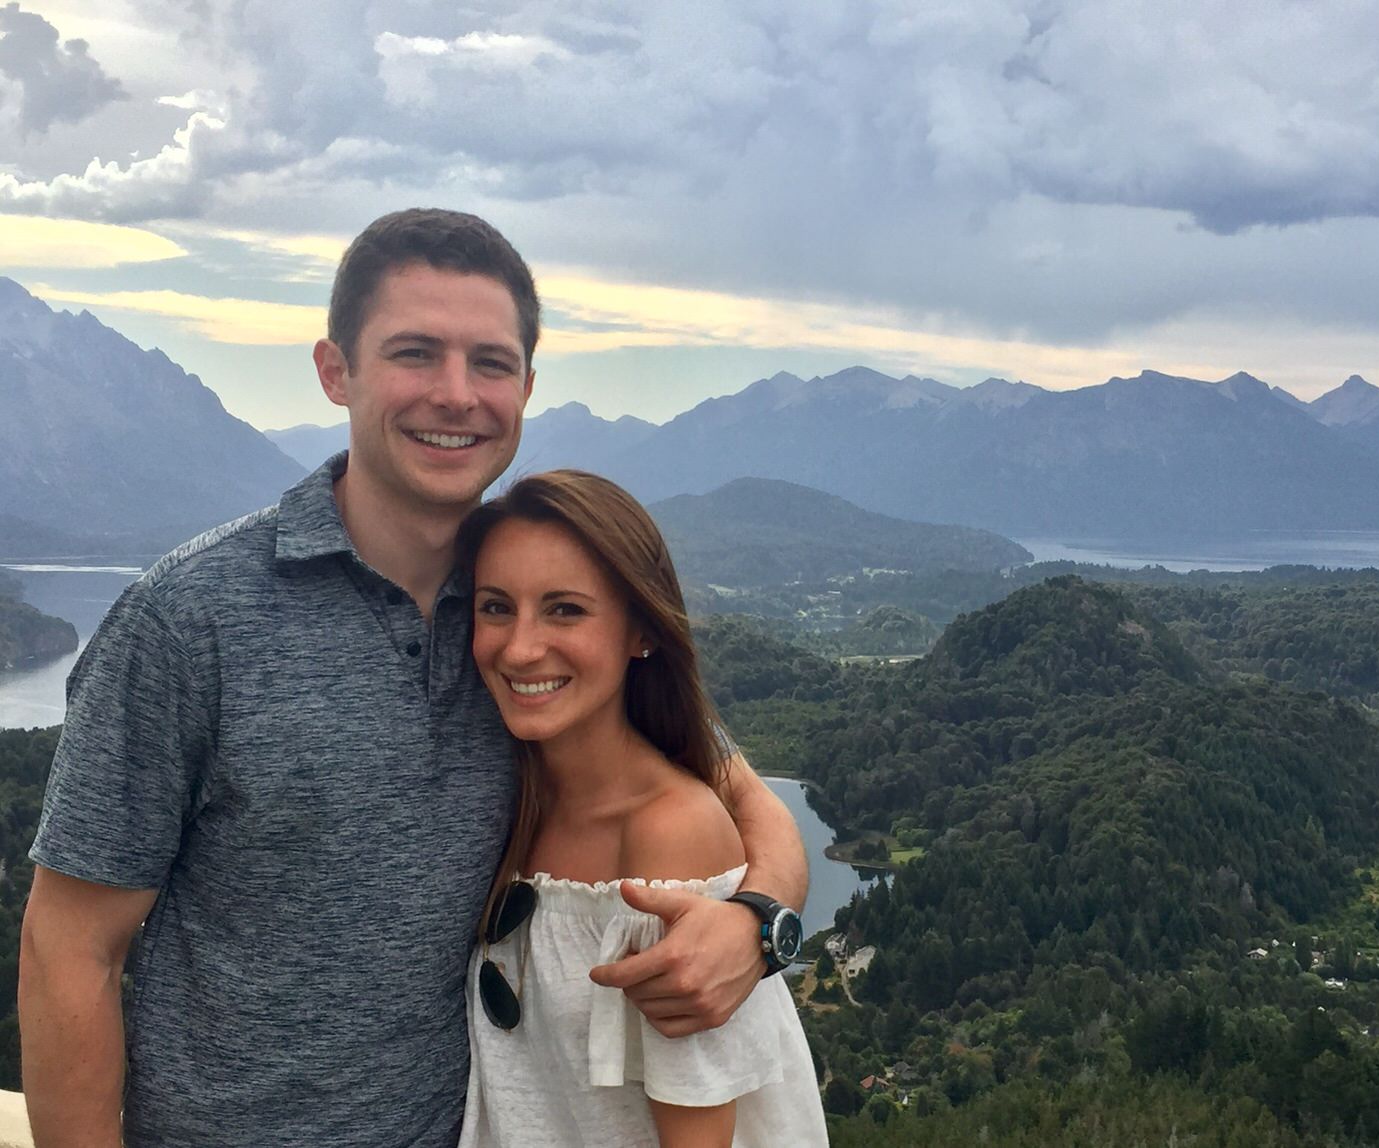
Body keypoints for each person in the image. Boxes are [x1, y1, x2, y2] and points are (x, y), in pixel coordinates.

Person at [17, 208, 808, 1148]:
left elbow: (736, 793)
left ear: (525, 385)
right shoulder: (192, 618)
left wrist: (756, 924)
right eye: (415, 353)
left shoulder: (528, 616)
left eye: (490, 362)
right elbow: (70, 947)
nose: (455, 394)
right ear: (335, 370)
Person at [454, 470, 827, 1147]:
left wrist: (758, 924)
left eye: (565, 609)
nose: (520, 647)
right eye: (495, 607)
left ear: (642, 634)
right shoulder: (511, 790)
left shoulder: (667, 834)